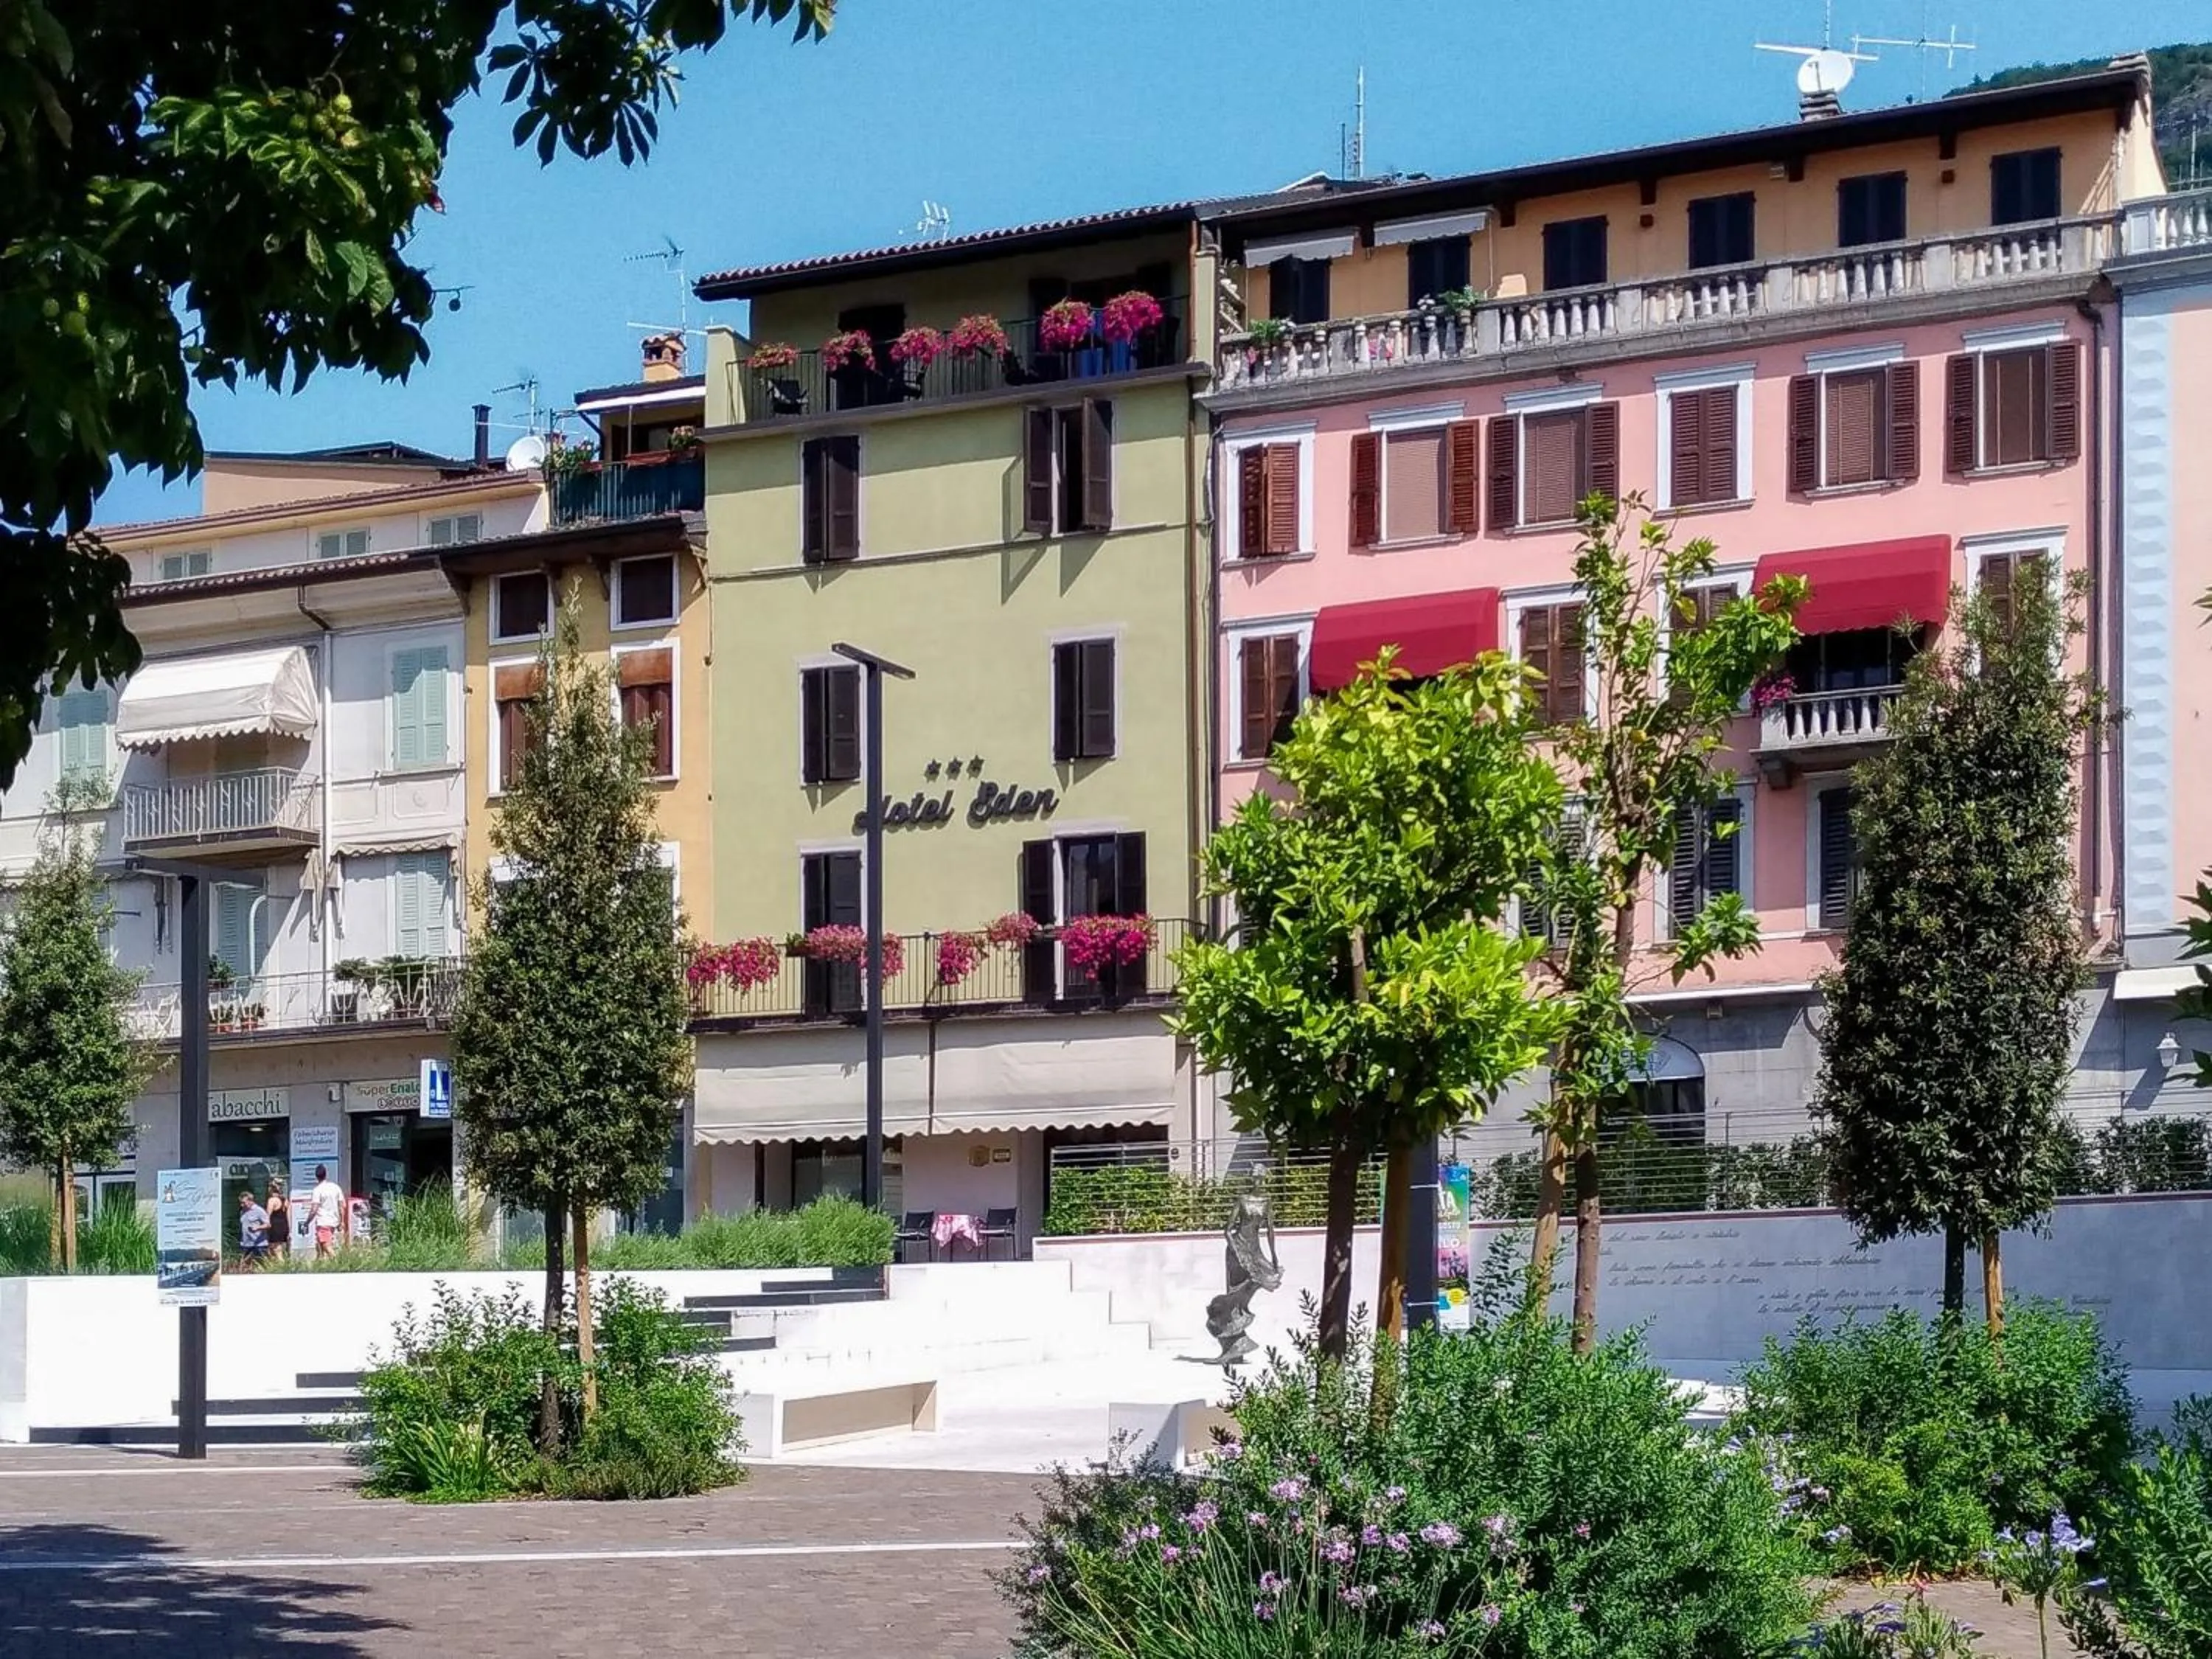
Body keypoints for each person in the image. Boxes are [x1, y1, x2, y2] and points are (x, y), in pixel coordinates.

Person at [308, 1164, 346, 1259]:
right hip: (334, 1221)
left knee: (326, 1245)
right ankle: (321, 1265)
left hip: (323, 1222)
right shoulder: (336, 1187)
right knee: (320, 1245)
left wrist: (307, 1222)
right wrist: (342, 1221)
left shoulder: (317, 1190)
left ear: (316, 1176)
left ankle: (337, 1261)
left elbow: (314, 1209)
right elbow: (342, 1206)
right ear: (326, 1174)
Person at [237, 1189, 269, 1267]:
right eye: (241, 1203)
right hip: (246, 1244)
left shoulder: (259, 1211)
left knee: (261, 1266)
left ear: (250, 1201)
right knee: (244, 1266)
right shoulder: (243, 1211)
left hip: (259, 1244)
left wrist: (258, 1228)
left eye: (244, 1203)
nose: (242, 1205)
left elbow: (268, 1225)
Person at [262, 1180, 289, 1261]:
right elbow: (288, 1216)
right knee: (278, 1248)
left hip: (275, 1227)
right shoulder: (286, 1200)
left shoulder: (272, 1200)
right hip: (284, 1226)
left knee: (275, 1249)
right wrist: (289, 1229)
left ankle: (282, 1266)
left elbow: (267, 1215)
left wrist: (264, 1227)